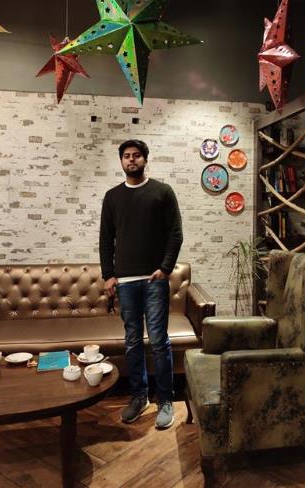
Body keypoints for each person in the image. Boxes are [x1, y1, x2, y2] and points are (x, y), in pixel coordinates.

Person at [99, 139, 183, 429]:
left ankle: (166, 399)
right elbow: (106, 239)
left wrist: (165, 269)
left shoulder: (162, 192)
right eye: (126, 156)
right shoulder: (112, 197)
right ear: (121, 161)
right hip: (125, 282)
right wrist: (108, 275)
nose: (131, 160)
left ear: (145, 159)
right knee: (132, 342)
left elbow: (175, 233)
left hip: (154, 280)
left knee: (159, 341)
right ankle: (139, 396)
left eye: (136, 155)